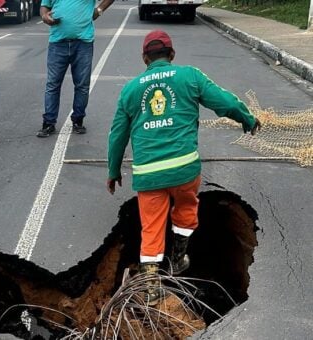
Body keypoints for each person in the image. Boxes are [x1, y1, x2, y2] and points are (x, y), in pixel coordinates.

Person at [106, 30, 261, 305]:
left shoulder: (130, 90)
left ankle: (152, 287)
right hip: (185, 170)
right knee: (186, 213)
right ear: (172, 55)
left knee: (151, 227)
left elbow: (118, 134)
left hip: (148, 174)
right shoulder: (190, 76)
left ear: (145, 58)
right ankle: (177, 259)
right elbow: (224, 102)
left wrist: (113, 170)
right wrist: (246, 118)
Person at [37, 0, 115, 138]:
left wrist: (99, 10)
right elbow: (45, 6)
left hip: (83, 43)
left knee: (82, 85)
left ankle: (78, 120)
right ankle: (49, 122)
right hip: (57, 42)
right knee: (53, 84)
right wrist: (44, 16)